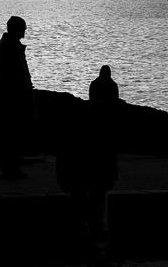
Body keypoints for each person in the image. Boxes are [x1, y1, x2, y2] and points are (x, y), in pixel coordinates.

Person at [56, 99, 118, 257]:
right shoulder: (103, 131)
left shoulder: (72, 131)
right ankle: (99, 248)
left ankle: (84, 246)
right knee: (97, 213)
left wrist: (62, 178)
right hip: (95, 177)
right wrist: (112, 176)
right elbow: (110, 155)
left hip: (80, 177)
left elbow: (63, 155)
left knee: (81, 212)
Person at [0, 16, 37, 178]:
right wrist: (25, 88)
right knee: (14, 132)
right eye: (23, 27)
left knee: (12, 132)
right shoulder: (11, 46)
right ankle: (11, 168)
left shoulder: (6, 45)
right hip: (14, 97)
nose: (25, 30)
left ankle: (11, 166)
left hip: (9, 94)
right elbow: (19, 73)